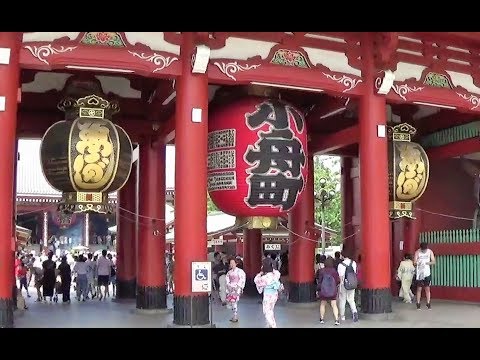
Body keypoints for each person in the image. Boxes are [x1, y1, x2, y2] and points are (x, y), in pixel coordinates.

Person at [254, 258, 282, 328]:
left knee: (267, 312)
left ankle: (273, 325)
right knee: (270, 310)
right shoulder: (275, 274)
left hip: (268, 295)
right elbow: (277, 272)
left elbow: (256, 281)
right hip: (274, 294)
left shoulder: (265, 278)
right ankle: (268, 325)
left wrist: (260, 274)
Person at [316, 256, 340, 325]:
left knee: (323, 304)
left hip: (323, 291)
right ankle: (336, 320)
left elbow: (319, 281)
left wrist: (318, 289)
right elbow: (337, 281)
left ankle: (322, 319)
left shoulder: (321, 271)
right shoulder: (334, 271)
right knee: (334, 305)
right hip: (332, 291)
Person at [337, 251, 359, 322]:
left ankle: (342, 316)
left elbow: (340, 277)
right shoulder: (354, 263)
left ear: (342, 256)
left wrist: (340, 285)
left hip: (344, 284)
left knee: (342, 300)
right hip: (352, 283)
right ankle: (354, 312)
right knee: (351, 299)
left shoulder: (340, 265)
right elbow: (355, 273)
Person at [414, 242, 436, 309]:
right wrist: (418, 263)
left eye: (425, 250)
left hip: (427, 272)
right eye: (423, 250)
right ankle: (418, 303)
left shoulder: (429, 252)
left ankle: (428, 303)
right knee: (419, 288)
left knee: (427, 288)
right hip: (420, 273)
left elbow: (433, 261)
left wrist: (427, 263)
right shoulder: (417, 252)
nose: (424, 251)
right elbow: (414, 262)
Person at [225, 257, 246, 323]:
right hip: (230, 287)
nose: (232, 264)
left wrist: (238, 286)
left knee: (234, 301)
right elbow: (227, 280)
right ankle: (234, 314)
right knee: (231, 302)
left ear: (236, 263)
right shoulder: (229, 272)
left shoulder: (240, 271)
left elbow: (242, 279)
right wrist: (228, 285)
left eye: (233, 263)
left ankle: (235, 316)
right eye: (230, 263)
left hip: (237, 288)